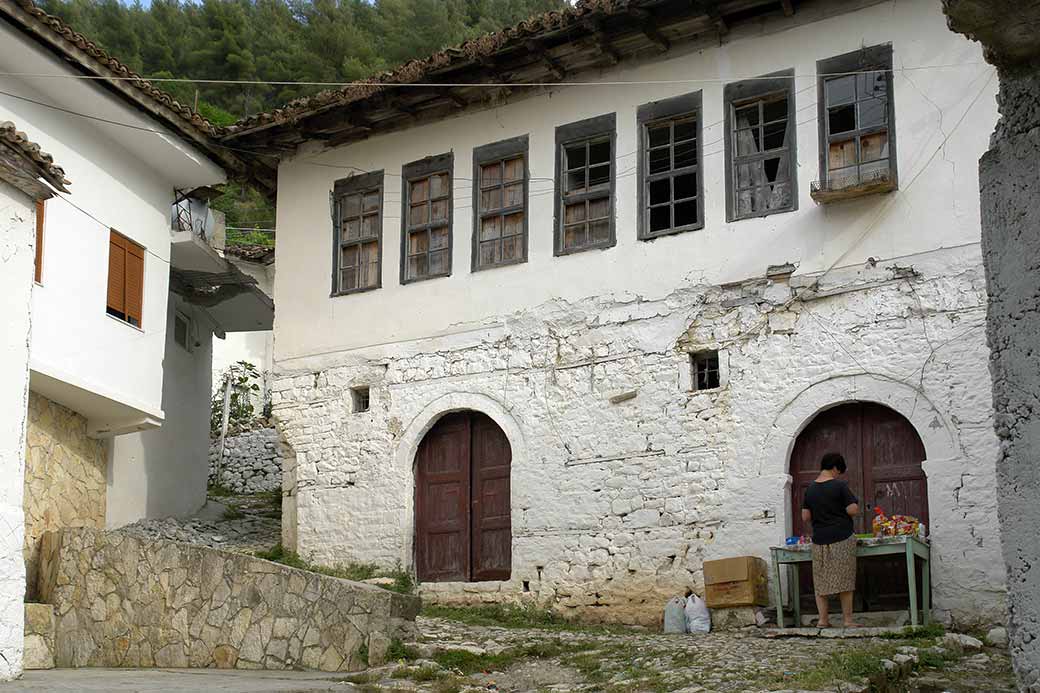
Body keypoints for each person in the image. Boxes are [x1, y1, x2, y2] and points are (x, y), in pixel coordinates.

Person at [801, 452, 861, 628]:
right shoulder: (840, 486)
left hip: (819, 539)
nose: (838, 474)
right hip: (842, 536)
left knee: (821, 581)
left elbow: (805, 516)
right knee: (845, 580)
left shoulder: (810, 489)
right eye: (839, 471)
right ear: (835, 467)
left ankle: (822, 620)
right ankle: (848, 621)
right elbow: (852, 510)